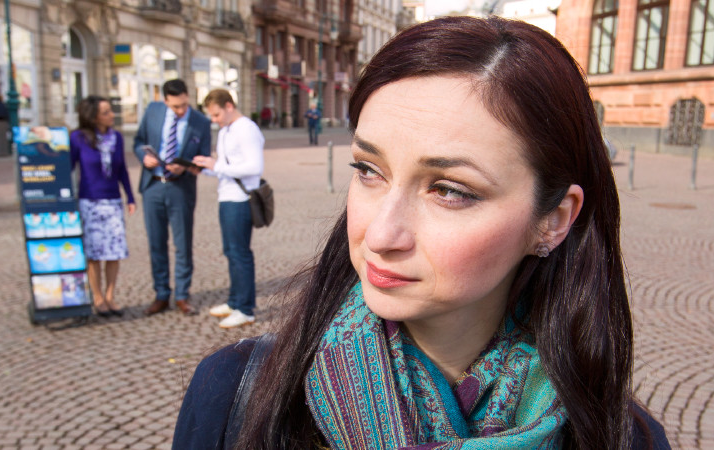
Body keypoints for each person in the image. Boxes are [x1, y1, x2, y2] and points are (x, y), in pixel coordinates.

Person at [174, 16, 671, 449]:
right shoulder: (235, 394)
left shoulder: (620, 436)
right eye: (368, 170)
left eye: (450, 190)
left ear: (554, 220)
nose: (380, 235)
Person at [134, 79, 212, 316]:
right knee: (156, 242)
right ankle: (161, 294)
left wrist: (186, 167)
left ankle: (182, 295)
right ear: (165, 100)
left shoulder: (200, 121)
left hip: (181, 188)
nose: (181, 110)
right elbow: (138, 142)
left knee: (182, 244)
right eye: (176, 106)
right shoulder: (153, 111)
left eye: (184, 105)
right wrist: (144, 157)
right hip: (153, 185)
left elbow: (203, 158)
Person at [190, 89, 265, 329]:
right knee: (231, 252)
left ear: (229, 106)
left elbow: (254, 167)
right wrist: (205, 169)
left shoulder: (246, 129)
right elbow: (226, 167)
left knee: (240, 253)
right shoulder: (226, 130)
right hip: (226, 196)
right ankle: (235, 302)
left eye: (216, 114)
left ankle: (245, 309)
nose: (214, 120)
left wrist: (217, 166)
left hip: (241, 199)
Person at [69, 95, 136, 317]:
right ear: (93, 116)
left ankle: (110, 296)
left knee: (114, 251)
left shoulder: (116, 138)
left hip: (113, 200)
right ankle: (97, 297)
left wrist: (130, 197)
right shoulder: (78, 138)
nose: (111, 115)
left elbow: (122, 169)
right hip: (90, 201)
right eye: (106, 112)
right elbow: (68, 167)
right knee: (94, 253)